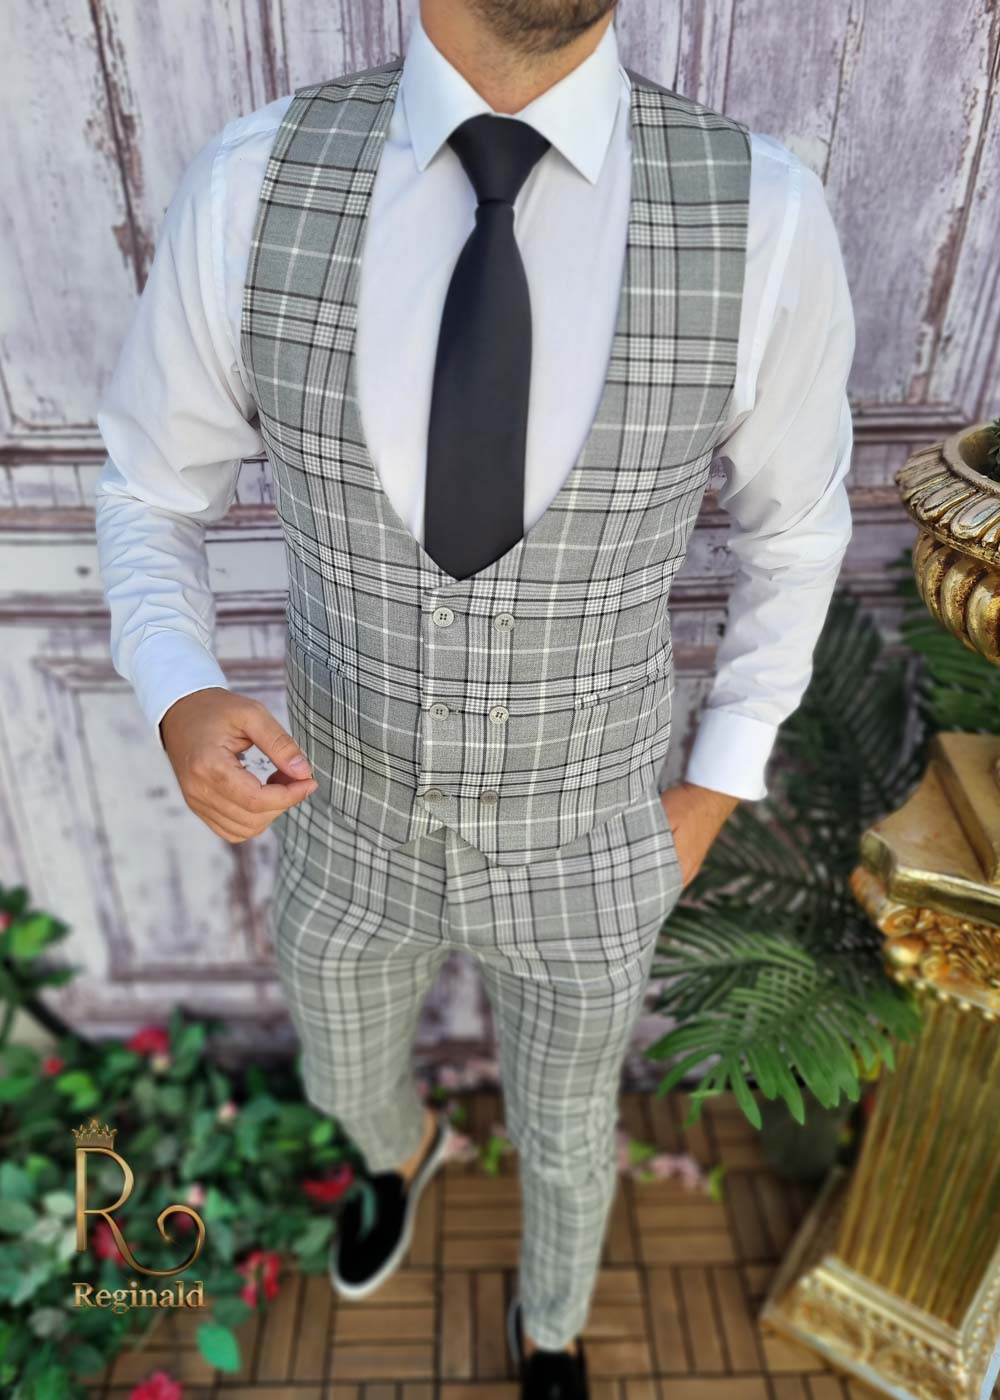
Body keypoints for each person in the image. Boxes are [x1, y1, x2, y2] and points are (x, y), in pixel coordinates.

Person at [94, 0, 855, 1393]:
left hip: (594, 833)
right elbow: (150, 488)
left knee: (569, 1125)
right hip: (338, 809)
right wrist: (179, 688)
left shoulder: (762, 213)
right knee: (339, 1069)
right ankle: (401, 1153)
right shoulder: (254, 181)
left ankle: (550, 1325)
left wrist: (711, 791)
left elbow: (795, 536)